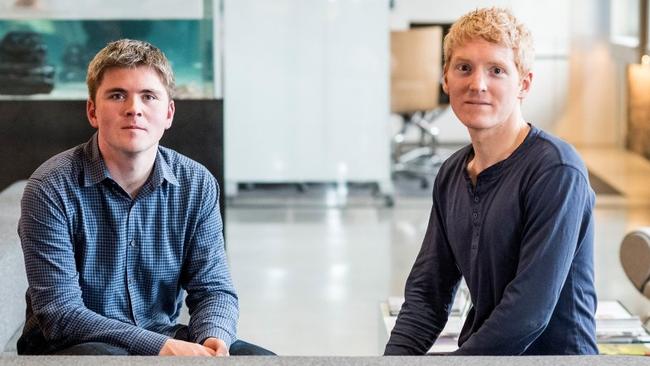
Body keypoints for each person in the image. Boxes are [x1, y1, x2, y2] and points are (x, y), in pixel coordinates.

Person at [17, 39, 273, 356]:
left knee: (259, 360)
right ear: (92, 111)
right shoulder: (50, 187)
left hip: (161, 331)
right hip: (71, 344)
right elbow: (60, 314)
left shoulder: (196, 184)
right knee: (106, 360)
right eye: (117, 95)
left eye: (148, 96)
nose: (134, 108)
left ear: (168, 113)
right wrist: (161, 347)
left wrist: (213, 338)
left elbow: (213, 288)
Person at [385, 8, 598, 355]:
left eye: (496, 70)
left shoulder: (556, 171)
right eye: (464, 68)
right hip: (485, 357)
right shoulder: (452, 173)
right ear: (445, 79)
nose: (477, 84)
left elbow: (528, 314)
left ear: (523, 84)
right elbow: (427, 296)